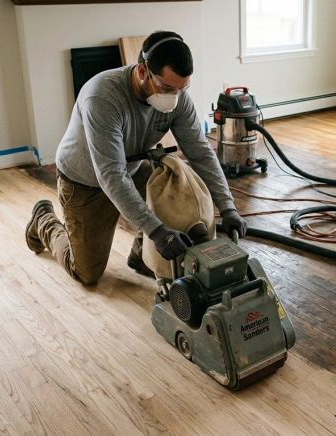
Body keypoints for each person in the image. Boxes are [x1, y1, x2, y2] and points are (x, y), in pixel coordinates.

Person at [25, 31, 247, 285]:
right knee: (86, 273)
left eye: (181, 89)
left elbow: (201, 153)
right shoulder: (102, 97)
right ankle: (43, 220)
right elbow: (110, 174)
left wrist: (228, 208)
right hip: (84, 181)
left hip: (130, 168)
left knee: (176, 198)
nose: (174, 96)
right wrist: (156, 231)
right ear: (142, 72)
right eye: (166, 88)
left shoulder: (177, 97)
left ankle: (140, 256)